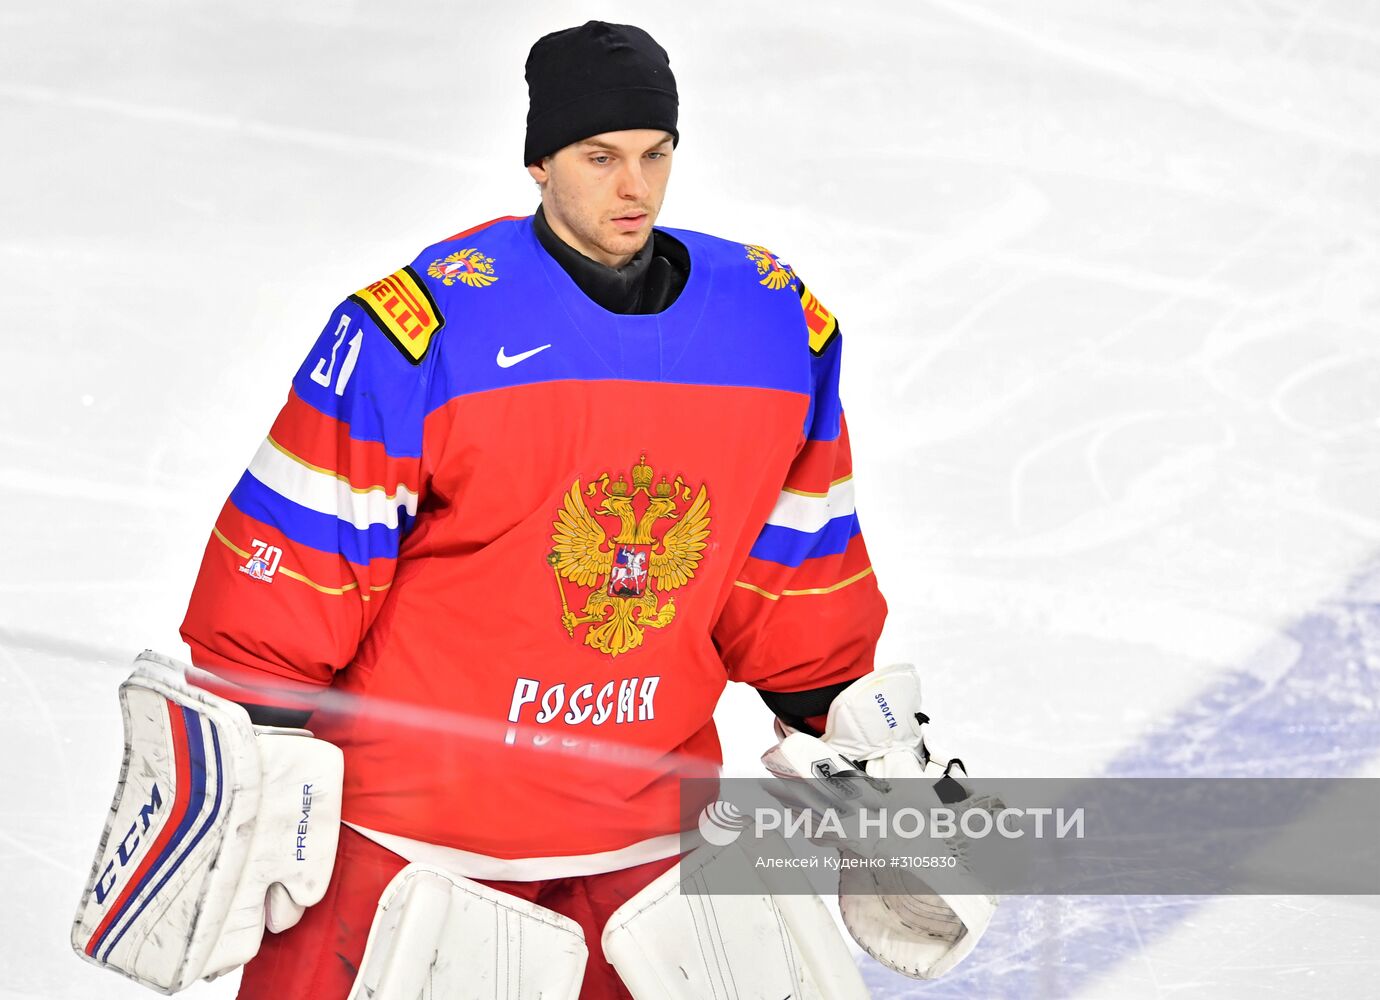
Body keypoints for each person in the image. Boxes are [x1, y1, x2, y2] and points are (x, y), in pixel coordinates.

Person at [75, 21, 988, 1000]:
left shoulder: (772, 327)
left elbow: (795, 570)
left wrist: (851, 726)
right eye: (601, 157)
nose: (634, 186)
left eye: (655, 154)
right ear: (540, 161)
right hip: (414, 836)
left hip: (644, 847)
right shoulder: (425, 330)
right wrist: (252, 750)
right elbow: (293, 568)